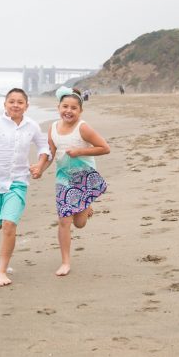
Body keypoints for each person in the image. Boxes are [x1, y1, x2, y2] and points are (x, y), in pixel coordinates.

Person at [0, 88, 50, 286]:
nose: (16, 105)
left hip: (18, 182)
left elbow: (44, 147)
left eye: (20, 102)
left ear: (26, 106)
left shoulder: (32, 126)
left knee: (8, 225)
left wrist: (40, 165)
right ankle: (0, 223)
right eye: (11, 101)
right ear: (4, 104)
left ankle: (2, 270)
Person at [47, 86, 110, 276]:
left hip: (84, 177)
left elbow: (104, 148)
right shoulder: (52, 128)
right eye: (65, 106)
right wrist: (39, 169)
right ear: (58, 107)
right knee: (64, 220)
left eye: (74, 108)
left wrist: (80, 151)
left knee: (80, 223)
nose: (69, 111)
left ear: (80, 111)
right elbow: (50, 155)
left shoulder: (82, 127)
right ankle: (65, 262)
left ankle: (87, 205)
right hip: (64, 178)